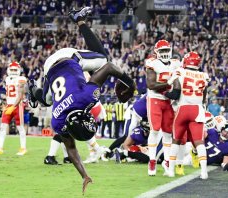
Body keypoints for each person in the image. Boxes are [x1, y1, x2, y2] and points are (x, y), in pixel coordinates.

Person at [28, 7, 135, 194]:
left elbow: (109, 67)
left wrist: (130, 84)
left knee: (104, 60)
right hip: (49, 69)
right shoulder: (59, 119)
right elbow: (71, 148)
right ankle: (32, 88)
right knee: (46, 101)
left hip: (65, 59)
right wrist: (84, 175)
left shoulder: (85, 99)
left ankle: (79, 21)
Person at [164, 51, 210, 179]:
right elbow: (205, 92)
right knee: (199, 142)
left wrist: (166, 93)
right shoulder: (204, 75)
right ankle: (204, 172)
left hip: (183, 108)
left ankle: (171, 170)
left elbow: (173, 88)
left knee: (176, 141)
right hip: (197, 109)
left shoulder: (181, 71)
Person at [145, 39, 181, 176]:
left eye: (166, 50)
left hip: (168, 101)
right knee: (154, 130)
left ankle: (166, 161)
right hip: (155, 99)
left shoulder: (175, 64)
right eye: (162, 51)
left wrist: (175, 92)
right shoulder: (152, 63)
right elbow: (151, 85)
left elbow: (178, 82)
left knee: (167, 133)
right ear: (156, 52)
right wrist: (169, 83)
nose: (165, 53)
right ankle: (152, 160)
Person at [0, 61, 27, 155]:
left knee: (20, 128)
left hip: (17, 106)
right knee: (3, 127)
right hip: (8, 106)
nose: (13, 71)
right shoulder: (7, 79)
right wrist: (3, 108)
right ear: (8, 70)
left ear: (18, 70)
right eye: (12, 69)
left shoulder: (21, 79)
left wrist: (13, 106)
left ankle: (23, 148)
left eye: (15, 69)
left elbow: (21, 95)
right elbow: (8, 96)